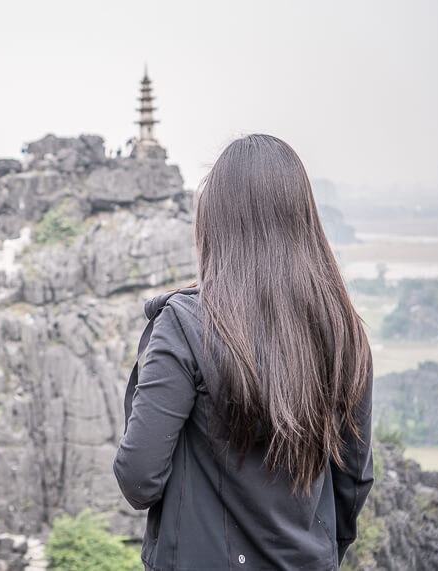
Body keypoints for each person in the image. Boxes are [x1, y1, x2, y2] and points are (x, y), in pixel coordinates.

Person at [113, 134, 373, 571]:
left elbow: (138, 478)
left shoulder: (184, 325)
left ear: (214, 224)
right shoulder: (342, 329)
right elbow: (354, 478)